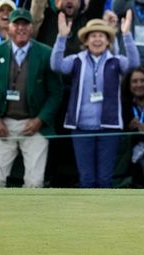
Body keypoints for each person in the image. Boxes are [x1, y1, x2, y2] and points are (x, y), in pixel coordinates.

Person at [50, 12, 139, 188]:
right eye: (93, 36)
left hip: (109, 128)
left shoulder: (115, 61)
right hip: (82, 128)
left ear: (108, 41)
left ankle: (104, 214)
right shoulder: (77, 60)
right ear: (86, 41)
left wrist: (127, 34)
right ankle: (87, 214)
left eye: (101, 36)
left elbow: (134, 63)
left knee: (105, 179)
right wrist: (61, 37)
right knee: (87, 179)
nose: (97, 40)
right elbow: (56, 65)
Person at [0, 9, 63, 188]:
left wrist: (40, 120)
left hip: (34, 123)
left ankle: (28, 216)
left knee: (35, 182)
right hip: (4, 122)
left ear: (32, 28)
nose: (21, 28)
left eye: (25, 24)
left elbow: (56, 92)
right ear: (9, 27)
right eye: (16, 24)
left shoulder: (46, 53)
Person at [121, 65, 144, 188]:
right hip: (130, 162)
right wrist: (129, 129)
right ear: (129, 84)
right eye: (134, 81)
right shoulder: (123, 105)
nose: (139, 85)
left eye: (143, 80)